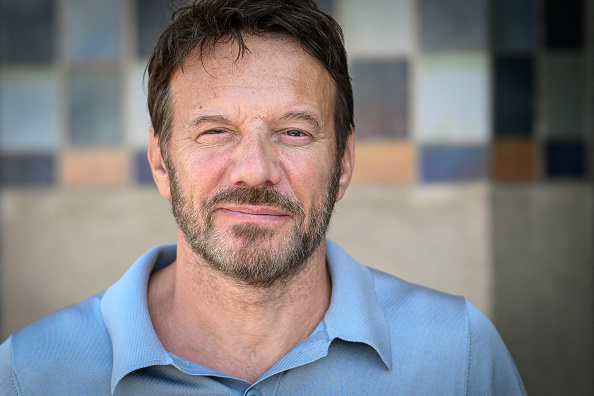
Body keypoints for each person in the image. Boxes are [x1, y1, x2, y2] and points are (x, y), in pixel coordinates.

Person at [0, 0, 526, 394]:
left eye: (294, 132)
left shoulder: (459, 354)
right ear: (161, 163)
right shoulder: (32, 373)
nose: (256, 169)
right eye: (216, 132)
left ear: (342, 162)